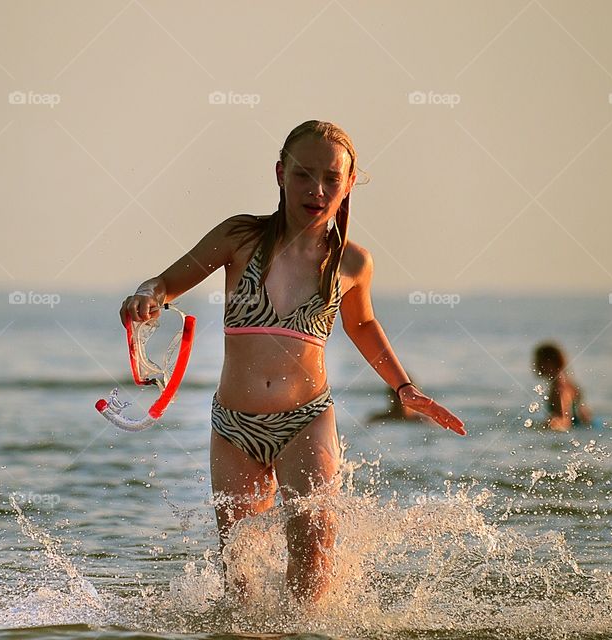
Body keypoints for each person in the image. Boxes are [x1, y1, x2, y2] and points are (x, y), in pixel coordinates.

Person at [118, 120, 466, 604]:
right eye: (303, 175)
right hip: (234, 427)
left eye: (331, 178)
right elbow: (165, 284)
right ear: (280, 173)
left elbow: (362, 326)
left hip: (306, 420)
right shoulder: (239, 237)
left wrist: (404, 388)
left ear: (347, 186)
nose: (316, 189)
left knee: (312, 559)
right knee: (240, 577)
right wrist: (144, 297)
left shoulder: (351, 263)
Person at [532, 342, 594, 431]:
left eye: (538, 360)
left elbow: (565, 421)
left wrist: (543, 428)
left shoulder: (559, 388)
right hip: (588, 427)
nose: (535, 365)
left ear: (549, 362)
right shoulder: (568, 383)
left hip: (581, 430)